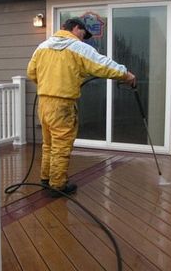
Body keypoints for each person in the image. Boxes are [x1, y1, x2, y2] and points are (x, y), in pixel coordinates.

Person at [27, 17, 136, 197]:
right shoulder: (77, 47)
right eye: (83, 34)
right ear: (76, 28)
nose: (83, 38)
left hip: (44, 103)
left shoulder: (42, 47)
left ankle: (46, 179)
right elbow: (102, 64)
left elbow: (31, 72)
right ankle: (58, 185)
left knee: (48, 144)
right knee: (61, 146)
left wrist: (50, 84)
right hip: (63, 104)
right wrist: (126, 74)